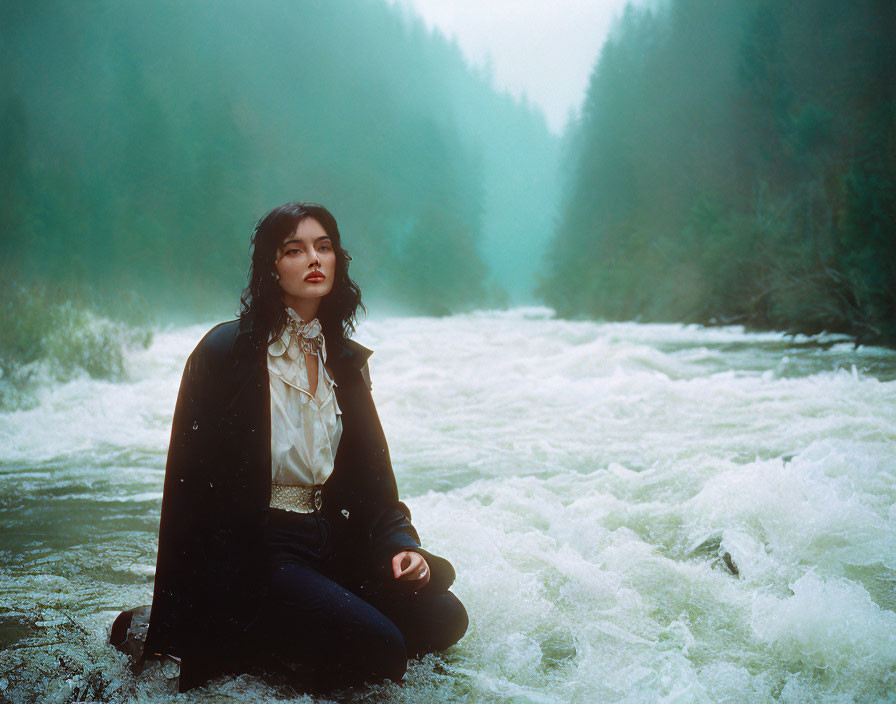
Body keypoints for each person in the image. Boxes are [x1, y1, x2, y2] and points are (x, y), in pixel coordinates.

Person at [121, 201, 468, 692]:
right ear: (271, 265)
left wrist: (401, 548)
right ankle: (249, 635)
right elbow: (190, 491)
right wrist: (192, 607)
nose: (313, 259)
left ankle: (303, 624)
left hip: (329, 539)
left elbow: (375, 486)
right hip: (259, 552)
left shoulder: (344, 361)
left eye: (324, 247)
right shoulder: (226, 353)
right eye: (295, 249)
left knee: (443, 617)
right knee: (382, 650)